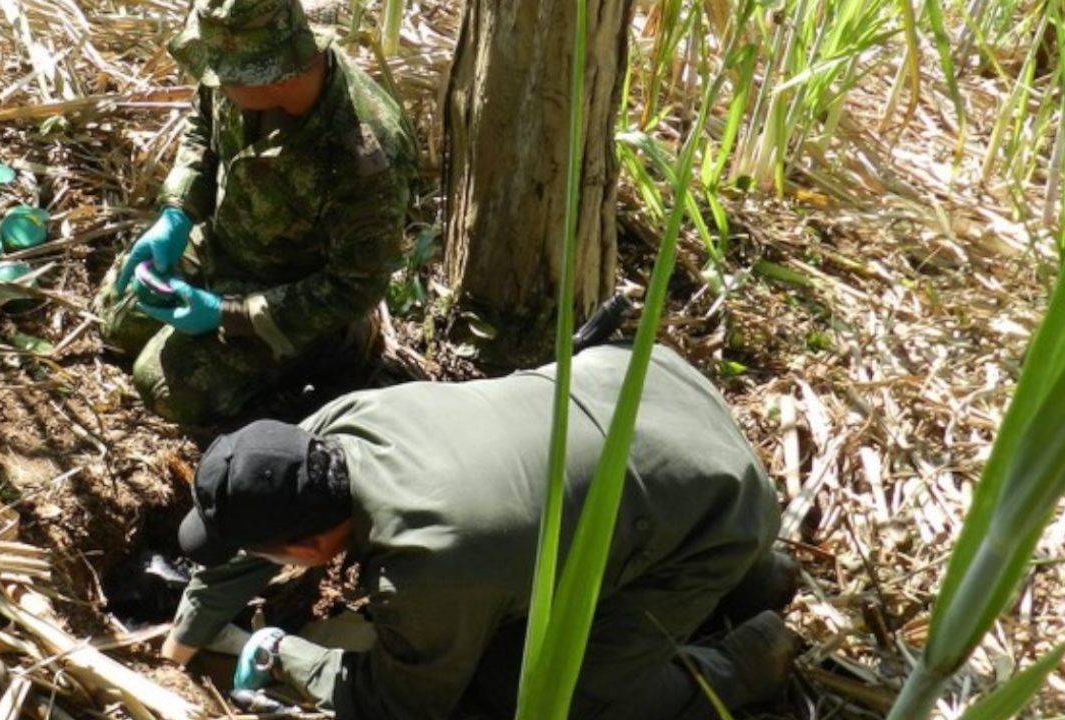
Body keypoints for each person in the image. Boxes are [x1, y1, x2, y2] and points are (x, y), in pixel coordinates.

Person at [161, 342, 802, 720]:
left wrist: (280, 648)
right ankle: (756, 575)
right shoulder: (340, 424)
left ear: (305, 549)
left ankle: (751, 656)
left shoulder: (429, 567)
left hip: (711, 507)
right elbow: (256, 510)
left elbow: (402, 705)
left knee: (538, 690)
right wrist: (189, 635)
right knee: (578, 531)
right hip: (651, 391)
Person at [95, 0, 419, 425]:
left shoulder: (365, 154)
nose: (210, 78)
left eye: (222, 71)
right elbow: (200, 128)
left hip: (297, 300)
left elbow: (354, 286)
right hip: (224, 245)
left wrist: (229, 315)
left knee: (163, 387)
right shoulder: (238, 75)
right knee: (118, 318)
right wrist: (176, 212)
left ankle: (341, 354)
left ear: (272, 72)